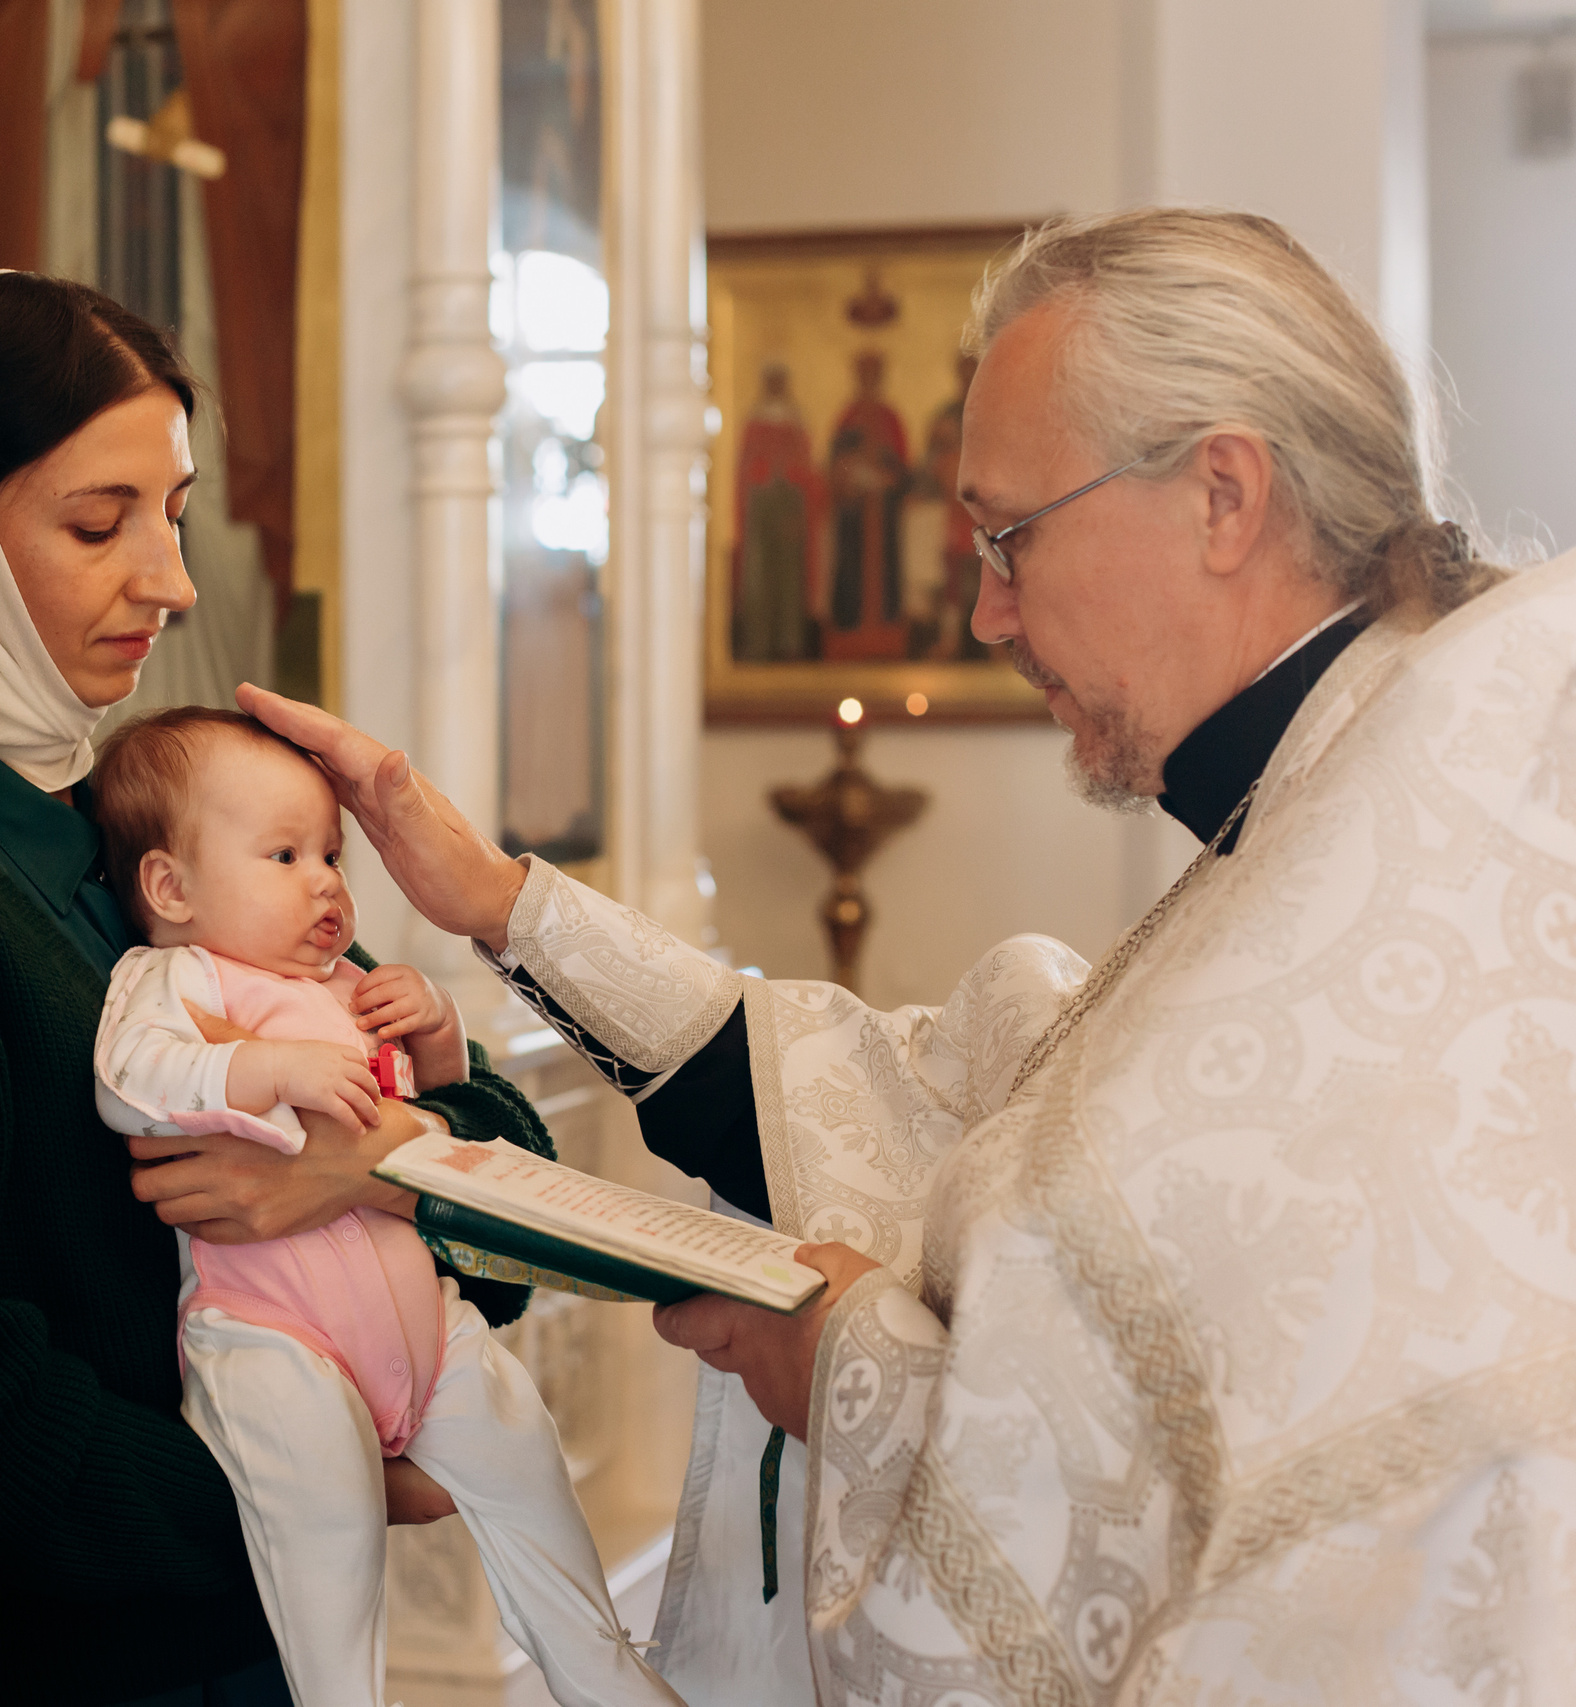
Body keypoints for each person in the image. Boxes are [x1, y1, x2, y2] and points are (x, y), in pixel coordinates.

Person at [225, 207, 1576, 1705]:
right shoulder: (1389, 788)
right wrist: (493, 896)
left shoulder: (1421, 848)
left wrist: (847, 1365)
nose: (987, 609)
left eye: (1009, 536)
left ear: (1222, 493)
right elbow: (962, 1118)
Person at [0, 270, 558, 1706]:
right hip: (91, 1652)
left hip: (245, 1621)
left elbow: (504, 1191)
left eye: (174, 513)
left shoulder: (139, 814)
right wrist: (307, 1488)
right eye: (96, 521)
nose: (172, 582)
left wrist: (391, 1151)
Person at [88, 707, 684, 1707]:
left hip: (424, 1329)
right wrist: (263, 1065)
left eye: (330, 850)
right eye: (283, 854)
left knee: (523, 1453)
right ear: (170, 887)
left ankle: (600, 1671)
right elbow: (127, 1081)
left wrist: (437, 1030)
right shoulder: (169, 979)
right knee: (326, 1534)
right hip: (276, 1334)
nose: (325, 878)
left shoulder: (342, 983)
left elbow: (447, 1113)